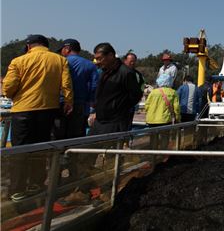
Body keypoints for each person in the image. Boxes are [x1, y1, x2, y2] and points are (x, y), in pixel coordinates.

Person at [2, 34, 73, 201]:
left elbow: (8, 88)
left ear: (29, 46)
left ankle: (17, 189)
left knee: (19, 151)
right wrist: (69, 102)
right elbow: (66, 85)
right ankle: (36, 184)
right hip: (48, 110)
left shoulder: (18, 61)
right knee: (40, 148)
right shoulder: (60, 60)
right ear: (46, 46)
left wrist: (14, 95)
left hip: (23, 111)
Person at [88, 43, 142, 135]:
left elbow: (136, 95)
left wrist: (117, 108)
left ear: (110, 56)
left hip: (114, 123)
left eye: (99, 58)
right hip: (99, 121)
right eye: (96, 59)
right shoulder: (104, 72)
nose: (97, 62)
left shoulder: (126, 73)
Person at [54, 39, 99, 140]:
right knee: (76, 136)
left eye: (62, 50)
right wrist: (89, 101)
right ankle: (73, 155)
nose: (61, 52)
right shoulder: (90, 65)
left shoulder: (60, 62)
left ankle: (58, 154)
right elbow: (94, 86)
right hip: (80, 105)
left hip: (60, 102)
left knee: (58, 133)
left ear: (67, 49)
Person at [123, 52, 146, 130]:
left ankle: (126, 141)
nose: (132, 63)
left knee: (127, 126)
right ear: (125, 60)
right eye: (130, 61)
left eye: (134, 61)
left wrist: (136, 99)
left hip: (129, 106)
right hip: (116, 105)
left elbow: (142, 87)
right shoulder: (117, 71)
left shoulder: (138, 75)